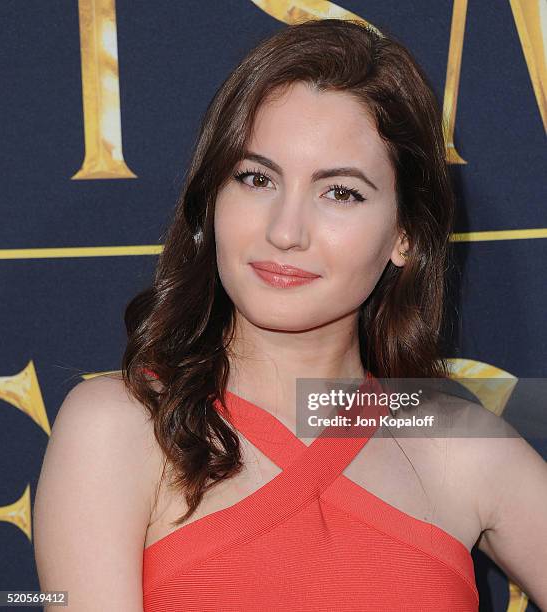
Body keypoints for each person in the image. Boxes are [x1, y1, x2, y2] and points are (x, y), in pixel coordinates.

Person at [33, 18, 547, 611]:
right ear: (212, 200)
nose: (285, 231)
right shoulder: (120, 428)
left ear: (404, 234)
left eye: (340, 193)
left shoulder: (463, 448)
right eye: (256, 179)